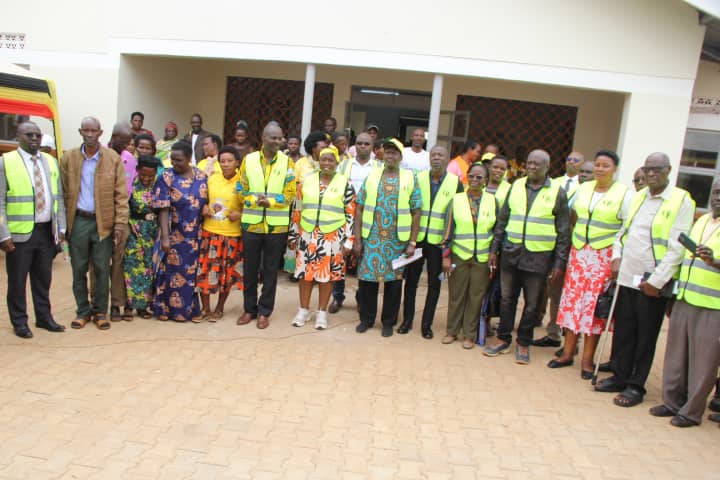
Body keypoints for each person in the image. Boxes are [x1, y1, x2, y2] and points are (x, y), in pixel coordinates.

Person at [595, 152, 695, 408]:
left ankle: (635, 385)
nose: (651, 174)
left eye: (657, 169)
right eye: (648, 169)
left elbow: (677, 248)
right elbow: (622, 233)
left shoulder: (681, 200)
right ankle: (620, 375)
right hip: (628, 275)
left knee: (645, 335)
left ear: (668, 170)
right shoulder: (638, 197)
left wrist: (657, 281)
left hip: (652, 282)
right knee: (624, 330)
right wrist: (616, 258)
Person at [548, 150, 631, 379]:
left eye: (606, 165)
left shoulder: (624, 194)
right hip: (579, 254)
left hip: (603, 257)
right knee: (573, 303)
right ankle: (567, 353)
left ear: (615, 169)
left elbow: (625, 229)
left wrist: (617, 257)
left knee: (593, 308)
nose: (600, 169)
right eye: (598, 165)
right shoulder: (584, 189)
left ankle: (587, 360)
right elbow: (572, 216)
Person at [484, 149, 570, 364]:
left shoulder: (557, 192)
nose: (531, 166)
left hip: (538, 257)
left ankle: (523, 342)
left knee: (532, 304)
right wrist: (494, 250)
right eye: (529, 163)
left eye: (537, 164)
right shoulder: (516, 186)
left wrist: (559, 263)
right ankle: (503, 338)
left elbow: (563, 232)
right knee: (507, 299)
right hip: (511, 253)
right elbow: (502, 221)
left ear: (547, 167)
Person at [649, 179, 720, 427]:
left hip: (713, 305)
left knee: (703, 362)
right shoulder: (702, 220)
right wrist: (674, 293)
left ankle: (691, 412)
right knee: (676, 356)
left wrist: (714, 261)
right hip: (686, 297)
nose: (718, 197)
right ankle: (672, 402)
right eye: (716, 192)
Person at [60, 117, 129, 331]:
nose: (90, 134)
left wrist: (119, 224)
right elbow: (62, 193)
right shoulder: (69, 158)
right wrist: (63, 225)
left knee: (101, 268)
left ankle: (100, 312)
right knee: (79, 269)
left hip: (103, 222)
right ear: (80, 132)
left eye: (94, 131)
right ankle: (82, 311)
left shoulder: (112, 158)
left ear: (100, 133)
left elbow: (121, 195)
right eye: (86, 130)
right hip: (78, 220)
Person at [0, 121, 66, 338]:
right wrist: (3, 234)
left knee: (43, 279)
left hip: (46, 232)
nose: (35, 139)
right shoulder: (6, 162)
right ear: (18, 136)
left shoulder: (50, 161)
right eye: (29, 135)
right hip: (19, 235)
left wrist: (61, 228)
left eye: (37, 135)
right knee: (17, 281)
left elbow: (59, 197)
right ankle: (19, 321)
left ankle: (44, 318)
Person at [354, 138, 421, 337]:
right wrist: (357, 239)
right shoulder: (373, 175)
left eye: (395, 153)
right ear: (383, 155)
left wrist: (412, 242)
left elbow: (417, 211)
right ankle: (366, 319)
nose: (391, 156)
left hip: (397, 240)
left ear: (400, 157)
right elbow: (359, 208)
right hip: (372, 238)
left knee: (394, 284)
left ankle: (388, 322)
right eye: (388, 152)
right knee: (367, 281)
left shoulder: (410, 177)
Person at [237, 122, 296, 329]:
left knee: (271, 271)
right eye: (274, 138)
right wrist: (254, 200)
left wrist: (270, 202)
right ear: (263, 138)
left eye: (280, 138)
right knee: (250, 270)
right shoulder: (249, 160)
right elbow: (240, 188)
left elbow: (291, 192)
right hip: (251, 225)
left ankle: (264, 312)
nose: (279, 141)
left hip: (276, 227)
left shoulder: (288, 163)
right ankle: (249, 309)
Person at [289, 146, 355, 329]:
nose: (327, 163)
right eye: (324, 159)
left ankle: (321, 312)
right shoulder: (307, 181)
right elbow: (298, 207)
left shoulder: (346, 184)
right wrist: (293, 233)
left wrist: (349, 240)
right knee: (305, 275)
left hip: (332, 237)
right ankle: (303, 310)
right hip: (307, 234)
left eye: (331, 160)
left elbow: (350, 213)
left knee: (327, 276)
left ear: (337, 162)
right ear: (318, 161)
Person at [400, 145, 462, 339]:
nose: (436, 158)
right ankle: (407, 321)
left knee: (435, 284)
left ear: (447, 159)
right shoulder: (418, 178)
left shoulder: (455, 182)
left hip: (438, 243)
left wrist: (448, 248)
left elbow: (456, 216)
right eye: (433, 154)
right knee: (411, 282)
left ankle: (426, 325)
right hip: (417, 240)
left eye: (440, 155)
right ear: (429, 158)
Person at [532, 150, 587, 349]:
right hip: (555, 247)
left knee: (576, 296)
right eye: (569, 159)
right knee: (553, 292)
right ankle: (553, 333)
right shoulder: (554, 183)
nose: (572, 162)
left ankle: (573, 341)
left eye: (576, 160)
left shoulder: (586, 191)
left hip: (580, 250)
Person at [153, 140, 208, 322]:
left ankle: (187, 311)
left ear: (189, 158)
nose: (174, 163)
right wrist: (165, 237)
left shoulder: (202, 176)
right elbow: (163, 209)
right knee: (171, 273)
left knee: (190, 275)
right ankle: (166, 310)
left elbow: (207, 201)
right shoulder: (166, 177)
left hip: (196, 236)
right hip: (173, 234)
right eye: (172, 159)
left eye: (179, 160)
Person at [442, 162, 495, 348]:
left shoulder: (493, 201)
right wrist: (446, 256)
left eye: (479, 177)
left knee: (475, 297)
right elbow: (448, 229)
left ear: (485, 180)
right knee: (456, 295)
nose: (474, 180)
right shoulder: (457, 200)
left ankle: (469, 335)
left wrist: (493, 253)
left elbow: (496, 230)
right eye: (471, 176)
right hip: (460, 254)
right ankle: (451, 331)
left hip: (482, 257)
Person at [329, 132, 381, 313]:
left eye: (366, 143)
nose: (362, 146)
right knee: (340, 257)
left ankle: (361, 297)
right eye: (359, 143)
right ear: (354, 145)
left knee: (364, 258)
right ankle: (337, 296)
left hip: (368, 218)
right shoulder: (344, 164)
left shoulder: (379, 167)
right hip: (345, 217)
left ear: (372, 146)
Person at [197, 146, 244, 321]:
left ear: (237, 162)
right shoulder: (212, 179)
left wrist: (240, 214)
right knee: (205, 272)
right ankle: (205, 308)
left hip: (232, 235)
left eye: (229, 161)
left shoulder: (242, 182)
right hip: (210, 233)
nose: (225, 164)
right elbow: (202, 199)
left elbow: (250, 206)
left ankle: (219, 307)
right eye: (222, 161)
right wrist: (204, 207)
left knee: (227, 274)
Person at [123, 155, 160, 319]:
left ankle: (144, 306)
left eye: (150, 176)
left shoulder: (159, 186)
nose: (146, 178)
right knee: (132, 269)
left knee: (149, 270)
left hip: (153, 233)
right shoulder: (131, 185)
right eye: (143, 175)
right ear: (137, 171)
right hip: (135, 231)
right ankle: (129, 305)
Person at [107, 123, 135, 322]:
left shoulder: (130, 159)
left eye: (128, 142)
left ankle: (116, 304)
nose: (126, 145)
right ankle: (98, 305)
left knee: (118, 262)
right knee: (99, 264)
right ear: (114, 137)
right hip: (100, 217)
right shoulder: (101, 154)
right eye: (124, 141)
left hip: (121, 217)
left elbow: (129, 190)